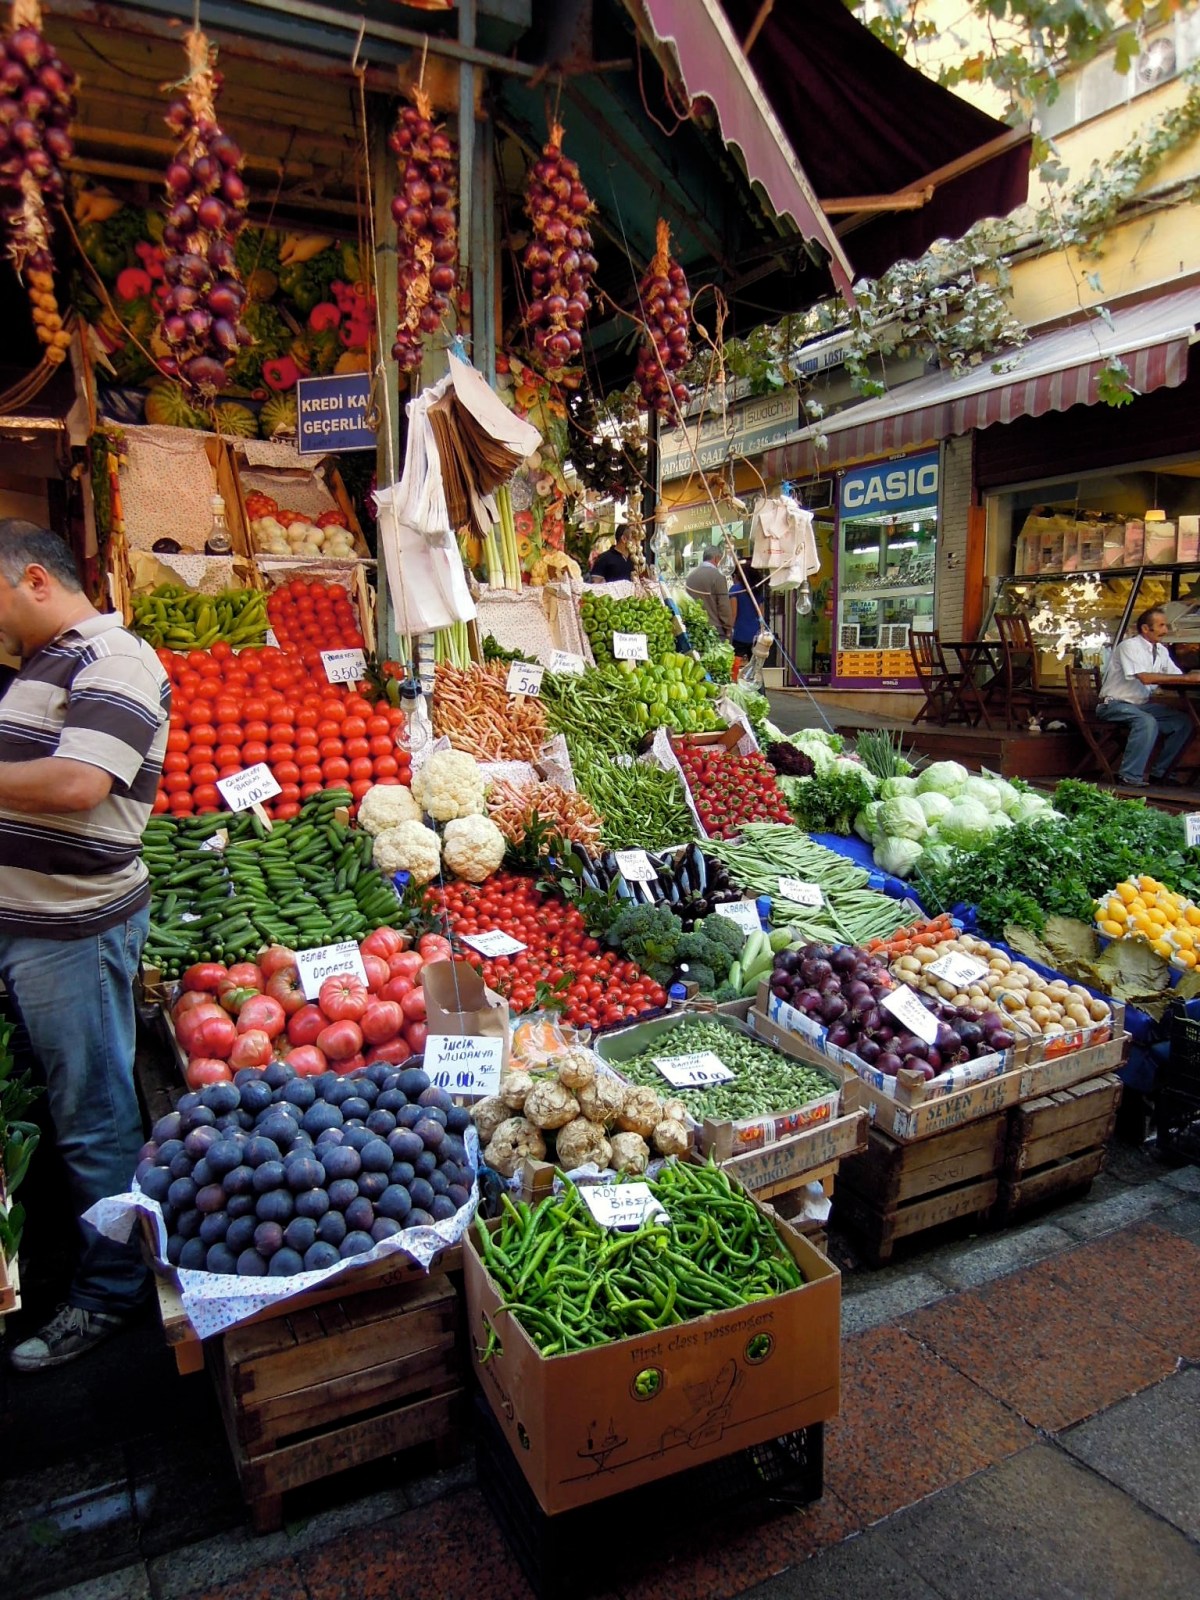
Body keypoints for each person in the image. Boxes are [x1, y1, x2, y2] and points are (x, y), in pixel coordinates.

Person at [0, 519, 170, 1371]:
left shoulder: (117, 659)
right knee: (75, 1105)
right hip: (33, 923)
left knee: (93, 1115)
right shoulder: (39, 662)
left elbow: (78, 783)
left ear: (34, 580)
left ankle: (114, 1293)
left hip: (73, 930)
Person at [1097, 606, 1200, 787]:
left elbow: (1176, 677)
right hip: (1114, 705)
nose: (1165, 631)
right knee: (1146, 721)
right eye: (1161, 626)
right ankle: (1129, 776)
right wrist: (1187, 677)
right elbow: (1145, 677)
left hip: (1140, 705)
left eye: (1165, 626)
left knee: (1184, 722)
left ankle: (1161, 773)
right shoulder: (1129, 646)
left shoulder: (1161, 650)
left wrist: (1192, 679)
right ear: (1145, 628)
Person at [685, 546, 734, 638]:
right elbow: (723, 605)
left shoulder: (690, 576)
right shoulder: (718, 575)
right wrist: (728, 627)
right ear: (716, 558)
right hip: (715, 629)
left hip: (694, 628)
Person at [729, 565, 765, 679]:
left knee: (735, 666)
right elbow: (761, 615)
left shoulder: (735, 590)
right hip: (755, 634)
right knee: (755, 667)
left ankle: (733, 689)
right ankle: (759, 691)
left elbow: (733, 614)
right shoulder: (757, 591)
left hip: (740, 634)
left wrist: (729, 629)